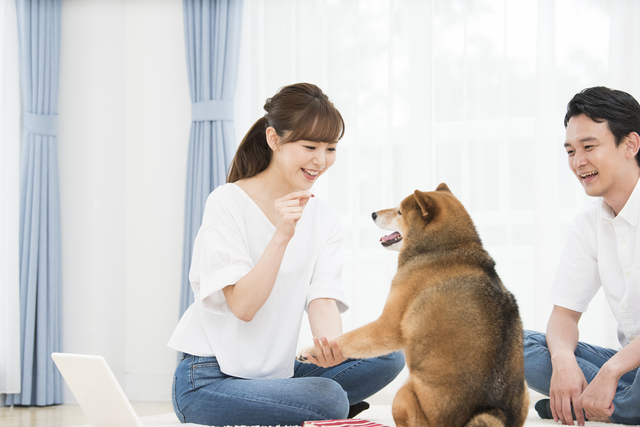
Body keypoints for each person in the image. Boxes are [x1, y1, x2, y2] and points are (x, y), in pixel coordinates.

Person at [168, 83, 405, 426]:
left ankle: (294, 403)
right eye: (309, 146)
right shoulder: (227, 202)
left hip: (276, 375)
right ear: (274, 140)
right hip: (209, 379)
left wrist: (330, 347)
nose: (320, 161)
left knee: (387, 354)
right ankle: (309, 406)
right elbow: (244, 307)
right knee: (330, 399)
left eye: (331, 148)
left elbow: (322, 298)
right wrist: (281, 235)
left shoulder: (323, 216)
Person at [523, 86, 640, 426]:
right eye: (571, 151)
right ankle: (600, 402)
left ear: (630, 144)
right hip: (631, 369)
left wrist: (611, 370)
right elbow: (563, 318)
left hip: (624, 367)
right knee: (509, 344)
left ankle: (583, 403)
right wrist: (562, 362)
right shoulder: (589, 223)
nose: (578, 162)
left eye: (589, 147)